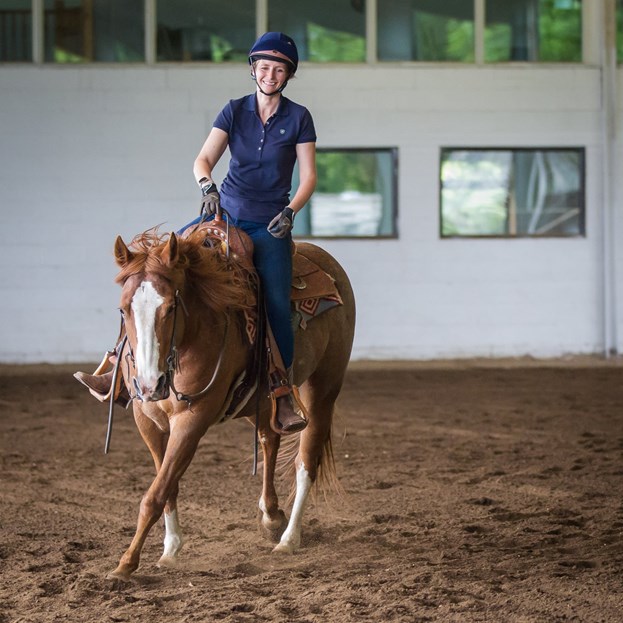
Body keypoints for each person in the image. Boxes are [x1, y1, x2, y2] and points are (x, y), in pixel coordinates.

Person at [76, 32, 316, 435]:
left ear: (288, 75)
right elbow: (204, 159)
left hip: (269, 223)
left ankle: (281, 389)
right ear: (253, 69)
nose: (269, 74)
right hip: (222, 215)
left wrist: (291, 212)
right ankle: (117, 371)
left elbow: (308, 176)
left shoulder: (298, 117)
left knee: (275, 301)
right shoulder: (234, 110)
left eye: (278, 69)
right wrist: (208, 188)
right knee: (152, 276)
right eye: (263, 67)